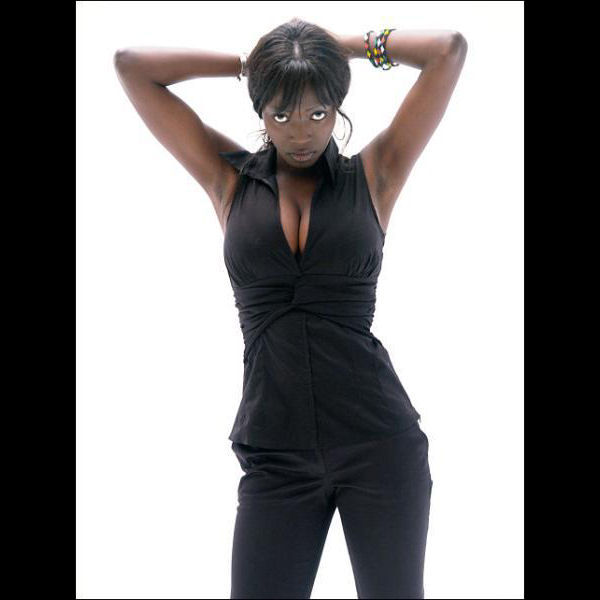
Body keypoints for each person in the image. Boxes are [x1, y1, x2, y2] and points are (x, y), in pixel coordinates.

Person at [114, 18, 467, 599]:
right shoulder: (227, 179)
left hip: (380, 446)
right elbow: (133, 66)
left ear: (336, 109)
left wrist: (337, 50)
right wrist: (251, 64)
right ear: (261, 112)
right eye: (280, 115)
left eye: (318, 112)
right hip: (275, 455)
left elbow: (447, 51)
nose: (301, 131)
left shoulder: (375, 174)